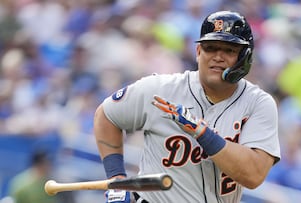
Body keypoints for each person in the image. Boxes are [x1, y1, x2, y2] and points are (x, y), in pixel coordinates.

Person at [93, 10, 281, 203]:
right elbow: (106, 115)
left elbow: (253, 175)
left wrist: (203, 133)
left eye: (229, 50)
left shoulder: (258, 103)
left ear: (245, 58)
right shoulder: (160, 90)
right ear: (198, 52)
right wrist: (116, 179)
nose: (218, 56)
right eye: (210, 47)